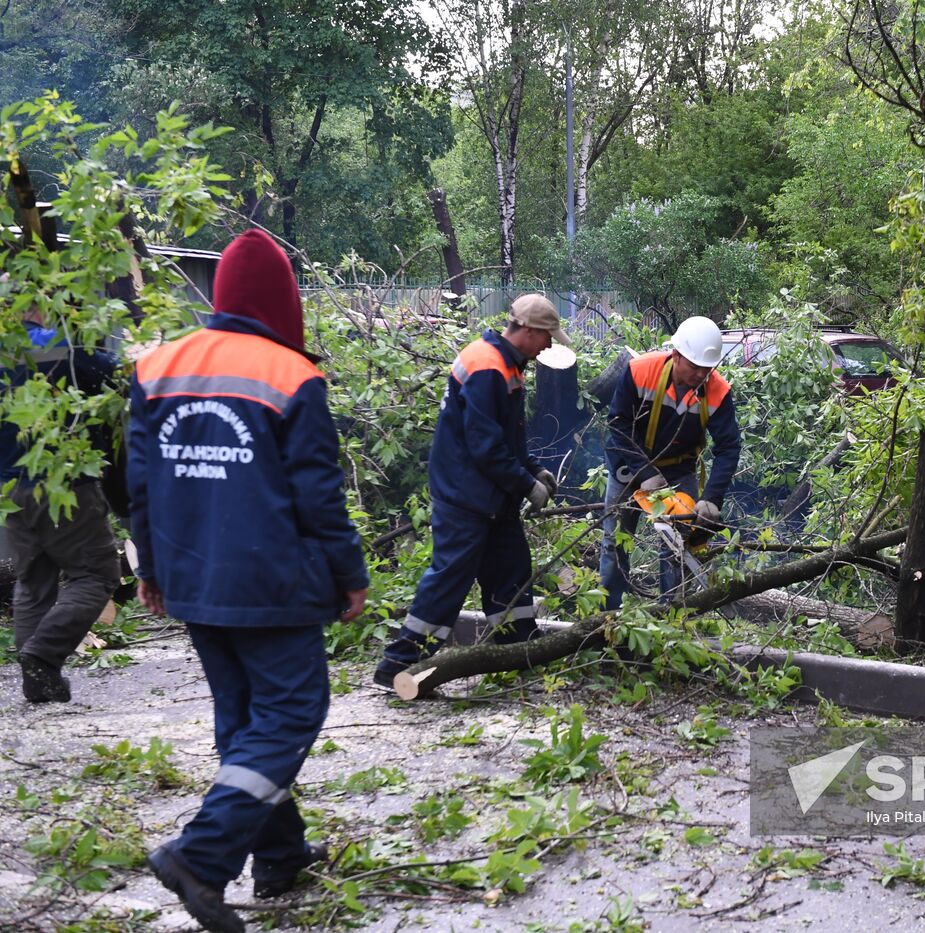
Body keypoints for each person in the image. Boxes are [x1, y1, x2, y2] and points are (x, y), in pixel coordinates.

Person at [129, 229, 369, 933]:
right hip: (273, 585)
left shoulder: (155, 367)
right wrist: (349, 576)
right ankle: (201, 858)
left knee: (243, 720)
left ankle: (280, 855)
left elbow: (139, 484)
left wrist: (151, 567)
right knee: (291, 714)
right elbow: (319, 498)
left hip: (192, 579)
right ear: (284, 302)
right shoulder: (291, 376)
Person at [373, 294, 568, 689]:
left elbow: (506, 437)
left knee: (511, 570)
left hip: (491, 494)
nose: (549, 345)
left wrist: (534, 469)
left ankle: (519, 648)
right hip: (466, 494)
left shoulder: (508, 365)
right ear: (528, 331)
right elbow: (484, 447)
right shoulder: (487, 366)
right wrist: (526, 484)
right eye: (547, 337)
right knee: (451, 577)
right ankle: (399, 664)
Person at [1, 306, 121, 702]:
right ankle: (43, 654)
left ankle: (39, 682)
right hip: (64, 483)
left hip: (10, 489)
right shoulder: (58, 346)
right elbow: (120, 379)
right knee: (97, 574)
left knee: (34, 583)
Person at [601, 316, 741, 609]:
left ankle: (673, 615)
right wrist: (646, 472)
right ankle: (608, 615)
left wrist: (711, 499)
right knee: (616, 540)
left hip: (679, 468)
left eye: (708, 368)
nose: (701, 374)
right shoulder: (641, 371)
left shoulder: (717, 391)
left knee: (679, 543)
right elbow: (618, 423)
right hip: (629, 464)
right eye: (695, 366)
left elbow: (728, 447)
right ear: (676, 355)